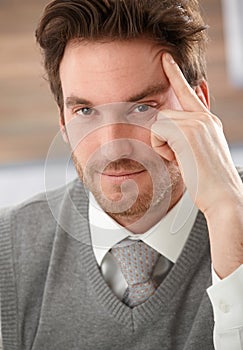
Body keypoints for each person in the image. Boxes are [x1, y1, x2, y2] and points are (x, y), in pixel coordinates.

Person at [0, 0, 242, 349]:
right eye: (85, 111)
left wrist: (230, 219)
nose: (113, 148)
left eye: (142, 107)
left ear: (198, 104)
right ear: (63, 122)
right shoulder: (9, 249)